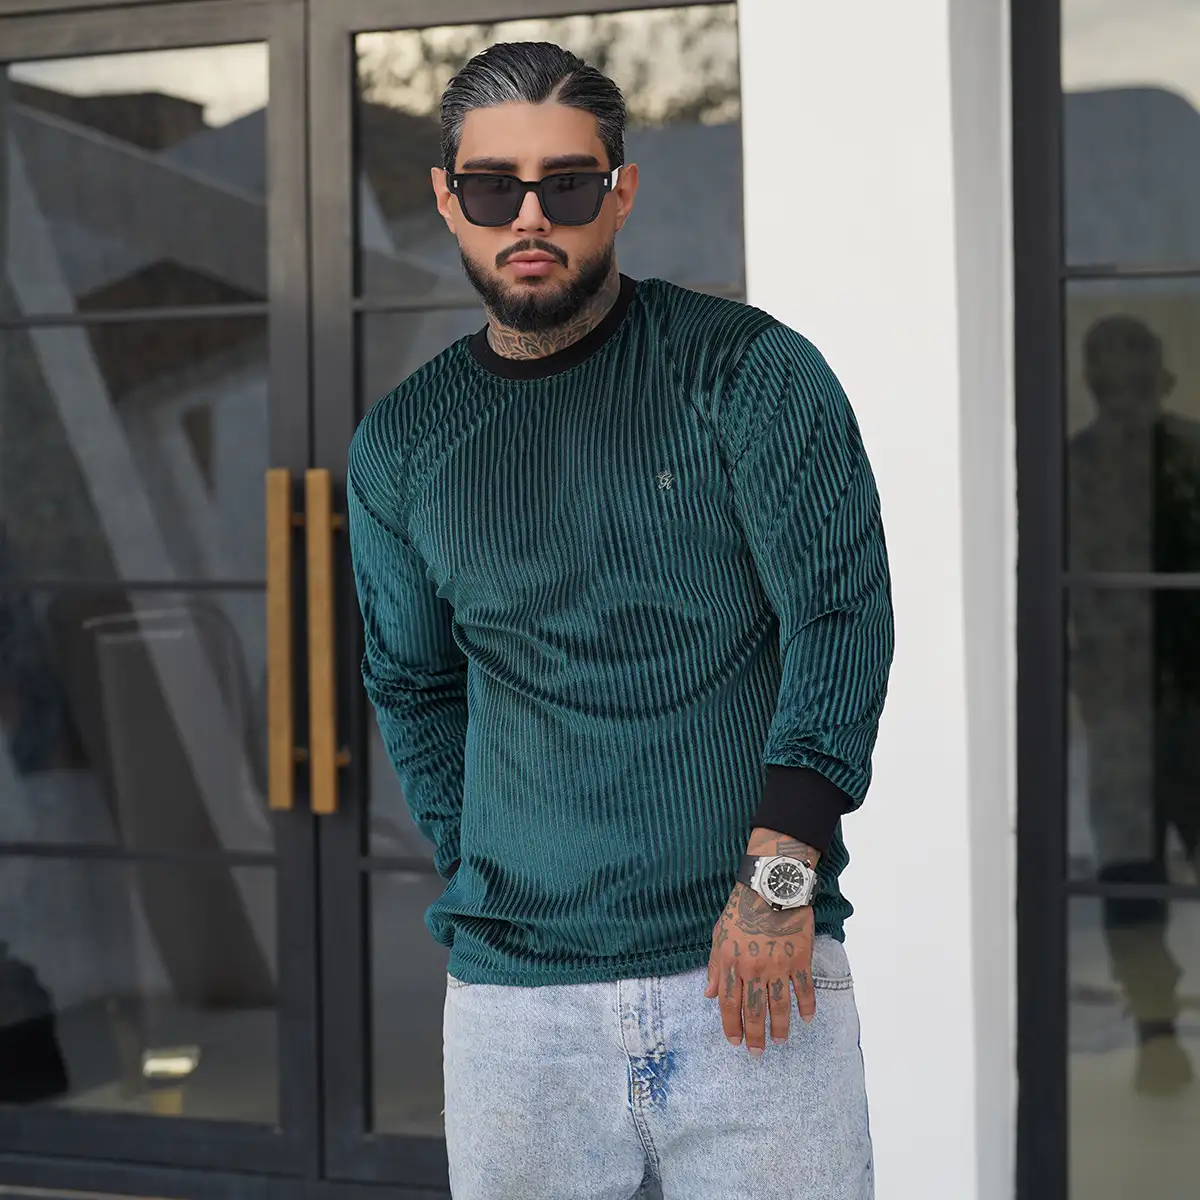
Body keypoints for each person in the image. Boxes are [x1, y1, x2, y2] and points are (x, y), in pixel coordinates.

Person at [348, 42, 893, 1200]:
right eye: (492, 187)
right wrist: (478, 862)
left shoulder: (747, 374)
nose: (528, 216)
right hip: (516, 1009)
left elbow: (839, 616)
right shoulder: (404, 443)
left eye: (567, 184)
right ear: (446, 197)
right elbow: (414, 683)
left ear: (621, 190)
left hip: (750, 968)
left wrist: (780, 882)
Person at [1069, 314, 1200, 1096]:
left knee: (1129, 881)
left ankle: (1156, 1033)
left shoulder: (1073, 469)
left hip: (1135, 711)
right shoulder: (1074, 470)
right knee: (1128, 880)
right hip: (1124, 714)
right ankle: (1155, 1032)